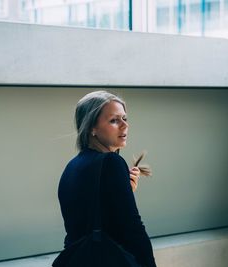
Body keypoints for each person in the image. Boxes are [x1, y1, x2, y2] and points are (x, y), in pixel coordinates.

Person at [57, 90, 157, 267]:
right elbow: (132, 229)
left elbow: (86, 222)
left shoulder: (72, 167)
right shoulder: (111, 162)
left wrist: (125, 190)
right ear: (91, 128)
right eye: (114, 120)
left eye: (125, 118)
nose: (124, 126)